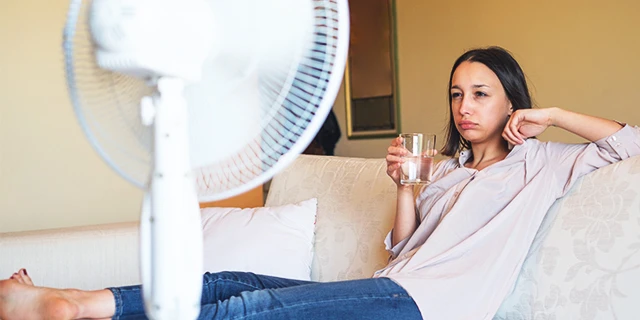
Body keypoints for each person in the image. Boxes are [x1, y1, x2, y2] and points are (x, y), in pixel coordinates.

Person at [1, 46, 639, 320]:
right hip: (393, 287)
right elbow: (401, 250)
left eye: (481, 94)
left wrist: (552, 116)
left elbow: (628, 144)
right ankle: (83, 302)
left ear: (511, 101)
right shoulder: (446, 171)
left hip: (431, 310)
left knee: (251, 311)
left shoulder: (544, 164)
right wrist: (406, 189)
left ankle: (76, 309)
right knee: (230, 282)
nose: (464, 107)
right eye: (455, 95)